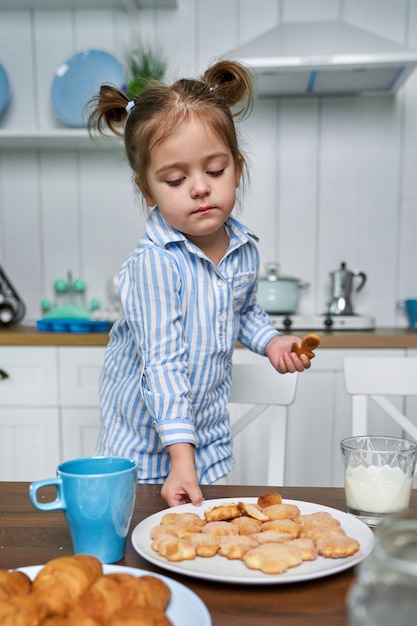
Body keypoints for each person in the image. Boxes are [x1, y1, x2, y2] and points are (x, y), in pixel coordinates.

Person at [88, 59, 314, 508]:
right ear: (148, 190)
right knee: (144, 550)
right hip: (146, 449)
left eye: (215, 171)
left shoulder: (243, 248)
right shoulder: (154, 264)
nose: (199, 188)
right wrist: (181, 458)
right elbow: (162, 364)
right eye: (176, 179)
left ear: (238, 168)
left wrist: (270, 342)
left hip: (202, 441)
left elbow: (244, 312)